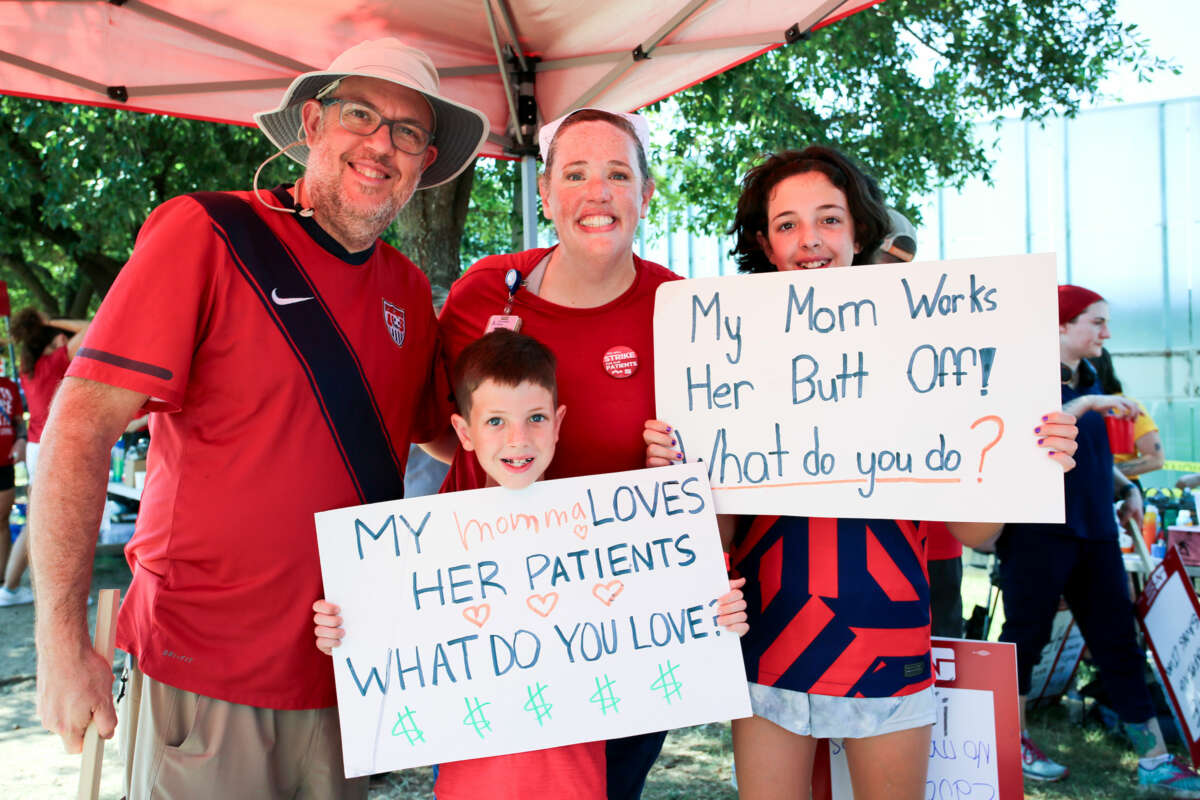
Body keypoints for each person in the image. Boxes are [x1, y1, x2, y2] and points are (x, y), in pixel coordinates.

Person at [30, 38, 489, 799]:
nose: (381, 143)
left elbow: (445, 437)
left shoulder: (408, 290)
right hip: (207, 673)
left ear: (425, 159)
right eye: (360, 114)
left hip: (349, 671)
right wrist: (60, 639)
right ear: (311, 123)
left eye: (407, 132)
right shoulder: (206, 233)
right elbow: (79, 427)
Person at [644, 146, 1078, 800]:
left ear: (859, 232)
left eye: (828, 219)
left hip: (889, 638)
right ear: (763, 241)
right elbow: (719, 531)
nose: (809, 240)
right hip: (770, 638)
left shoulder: (922, 347)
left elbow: (974, 530)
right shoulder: (725, 353)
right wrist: (678, 479)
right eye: (786, 223)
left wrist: (1028, 456)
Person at [313, 329, 748, 799]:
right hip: (468, 784)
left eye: (535, 418)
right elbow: (389, 637)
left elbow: (667, 612)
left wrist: (714, 612)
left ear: (558, 423)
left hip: (577, 782)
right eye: (495, 421)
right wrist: (345, 629)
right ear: (464, 432)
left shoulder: (598, 535)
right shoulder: (427, 546)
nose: (518, 439)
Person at [427, 107, 679, 799]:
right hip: (493, 626)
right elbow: (438, 427)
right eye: (575, 174)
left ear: (646, 192)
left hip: (628, 627)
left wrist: (677, 480)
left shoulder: (683, 309)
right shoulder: (485, 293)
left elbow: (709, 490)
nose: (597, 192)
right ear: (543, 194)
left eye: (617, 174)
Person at [997, 285, 1200, 795]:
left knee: (1119, 644)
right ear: (1061, 324)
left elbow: (1090, 458)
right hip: (1038, 533)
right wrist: (1089, 402)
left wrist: (1127, 485)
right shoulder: (1027, 377)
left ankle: (1154, 759)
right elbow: (1038, 436)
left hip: (1097, 533)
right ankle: (1006, 743)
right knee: (1025, 639)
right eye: (1096, 322)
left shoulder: (1088, 376)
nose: (1107, 333)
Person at [871, 208, 965, 638]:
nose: (889, 276)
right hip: (842, 551)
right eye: (880, 262)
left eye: (900, 267)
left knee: (942, 653)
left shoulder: (937, 330)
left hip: (933, 541)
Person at [1089, 346, 1164, 485]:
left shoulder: (1127, 407)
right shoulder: (1072, 405)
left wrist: (1102, 471)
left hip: (1120, 490)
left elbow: (1156, 459)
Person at [0, 367, 28, 606]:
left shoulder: (8, 386)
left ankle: (2, 580)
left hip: (4, 461)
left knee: (2, 520)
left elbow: (19, 421)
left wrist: (21, 439)